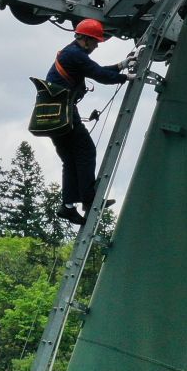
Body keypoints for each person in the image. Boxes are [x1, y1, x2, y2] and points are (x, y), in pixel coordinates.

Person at [44, 18, 134, 225]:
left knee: (71, 159)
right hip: (65, 112)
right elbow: (100, 75)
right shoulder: (76, 55)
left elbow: (97, 70)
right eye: (94, 42)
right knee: (86, 151)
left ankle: (68, 207)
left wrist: (121, 66)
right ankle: (88, 199)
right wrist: (127, 77)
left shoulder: (72, 53)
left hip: (51, 115)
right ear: (85, 39)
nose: (95, 46)